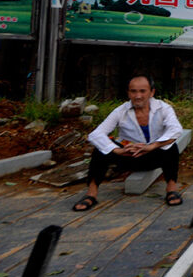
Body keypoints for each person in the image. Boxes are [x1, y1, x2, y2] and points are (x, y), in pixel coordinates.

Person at [73, 74, 184, 211]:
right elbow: (96, 134)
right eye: (133, 91)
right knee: (100, 150)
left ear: (152, 92)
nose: (138, 96)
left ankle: (171, 189)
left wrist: (151, 146)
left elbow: (175, 129)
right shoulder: (121, 111)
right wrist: (118, 150)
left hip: (152, 156)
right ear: (128, 93)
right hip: (127, 156)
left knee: (171, 147)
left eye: (142, 91)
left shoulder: (163, 108)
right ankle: (91, 193)